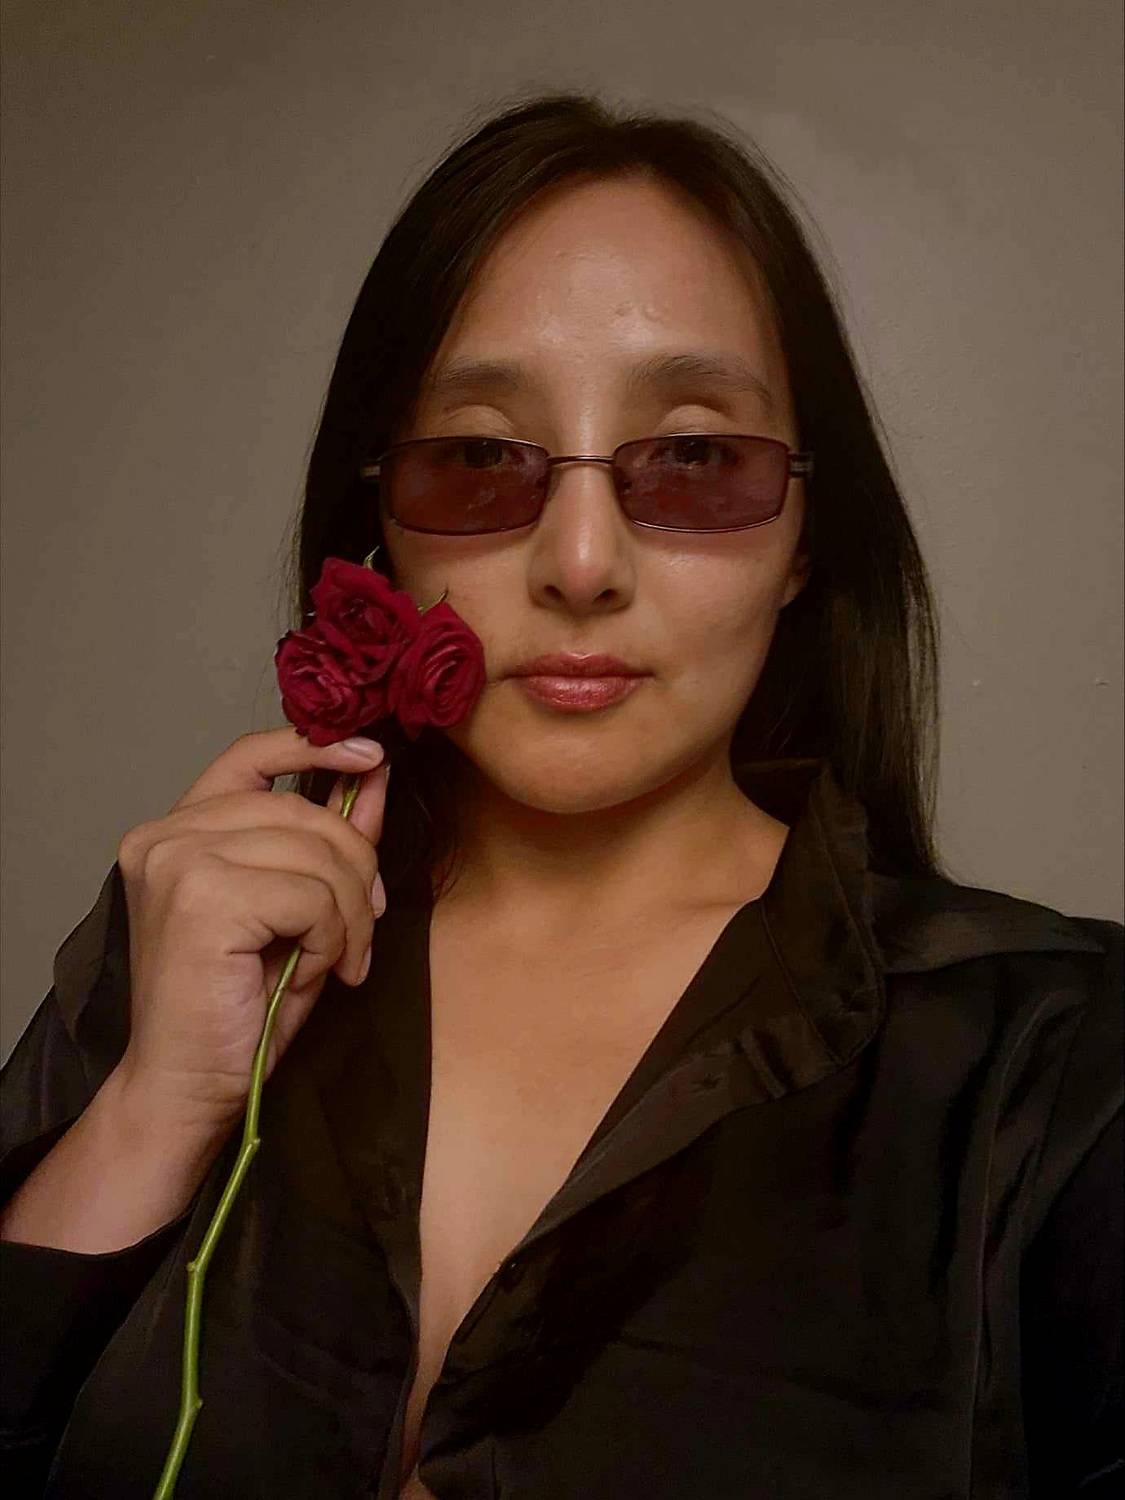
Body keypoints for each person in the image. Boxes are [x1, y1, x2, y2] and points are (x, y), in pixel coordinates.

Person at [1, 91, 1121, 1500]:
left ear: (801, 540)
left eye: (695, 457)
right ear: (377, 526)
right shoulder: (186, 952)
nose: (580, 564)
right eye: (479, 459)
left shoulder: (1059, 1062)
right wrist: (155, 1109)